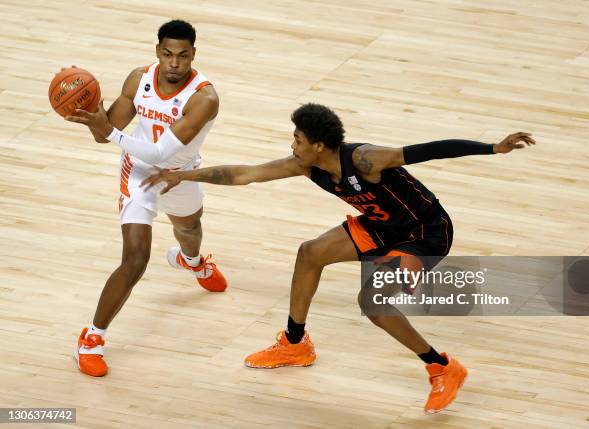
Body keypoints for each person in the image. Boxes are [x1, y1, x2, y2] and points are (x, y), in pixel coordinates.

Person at [142, 103, 535, 413]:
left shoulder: (366, 159)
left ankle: (442, 366)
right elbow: (245, 174)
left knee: (373, 303)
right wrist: (184, 176)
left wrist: (492, 148)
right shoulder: (305, 166)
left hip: (425, 233)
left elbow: (431, 150)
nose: (292, 145)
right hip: (381, 225)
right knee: (310, 253)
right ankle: (295, 343)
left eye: (297, 139)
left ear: (318, 144)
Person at [64, 19, 227, 377]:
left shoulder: (204, 99)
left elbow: (160, 152)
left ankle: (192, 260)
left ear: (193, 56)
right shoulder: (139, 80)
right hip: (138, 175)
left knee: (190, 228)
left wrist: (108, 133)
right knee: (135, 258)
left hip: (180, 174)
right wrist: (89, 112)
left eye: (183, 56)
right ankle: (91, 339)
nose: (174, 63)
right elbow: (105, 134)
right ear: (157, 52)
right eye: (167, 54)